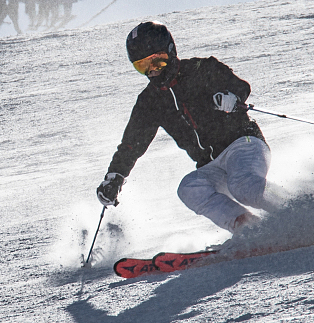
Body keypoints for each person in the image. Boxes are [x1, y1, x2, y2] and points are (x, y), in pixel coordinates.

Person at [95, 20, 271, 232]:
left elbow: (241, 86)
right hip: (211, 164)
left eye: (157, 62)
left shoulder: (201, 69)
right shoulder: (150, 101)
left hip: (244, 144)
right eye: (142, 66)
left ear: (170, 52)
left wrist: (231, 98)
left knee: (243, 186)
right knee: (189, 188)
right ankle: (248, 228)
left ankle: (300, 208)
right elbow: (131, 145)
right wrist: (115, 176)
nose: (152, 72)